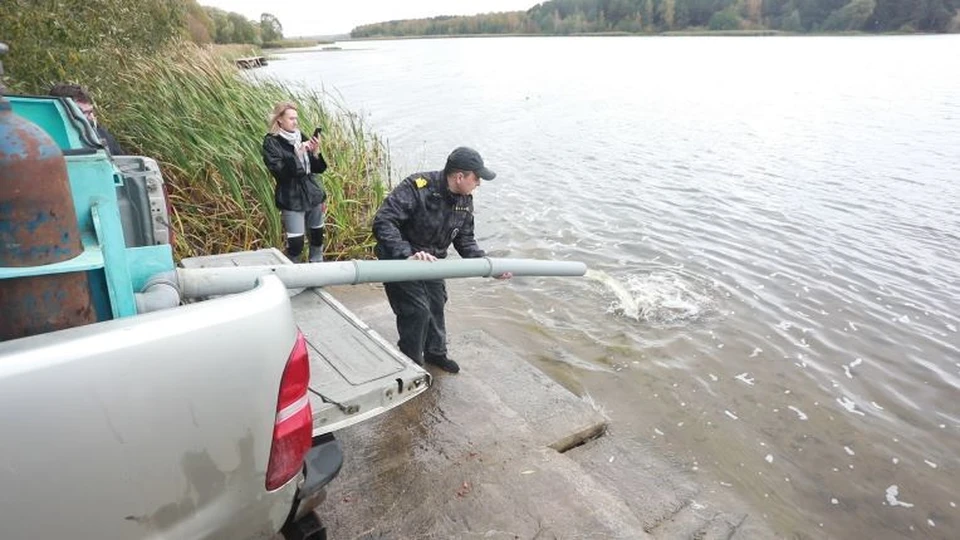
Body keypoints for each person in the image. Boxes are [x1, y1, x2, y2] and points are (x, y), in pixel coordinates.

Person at [372, 147, 512, 374]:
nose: (479, 184)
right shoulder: (417, 186)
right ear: (460, 177)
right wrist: (407, 253)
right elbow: (383, 221)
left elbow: (465, 241)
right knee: (417, 311)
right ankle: (411, 363)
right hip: (399, 258)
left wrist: (490, 267)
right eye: (476, 178)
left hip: (432, 262)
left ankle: (435, 354)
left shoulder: (465, 200)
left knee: (437, 303)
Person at [261, 101, 328, 263]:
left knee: (317, 237)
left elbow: (317, 169)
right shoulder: (271, 142)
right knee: (296, 244)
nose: (295, 122)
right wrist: (296, 156)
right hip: (291, 197)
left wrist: (315, 152)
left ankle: (316, 272)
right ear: (279, 120)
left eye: (296, 118)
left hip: (312, 194)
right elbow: (280, 173)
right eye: (291, 118)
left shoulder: (300, 135)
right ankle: (291, 278)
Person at [48, 83, 124, 155]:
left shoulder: (102, 135)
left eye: (91, 112)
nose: (91, 117)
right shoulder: (46, 140)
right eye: (83, 113)